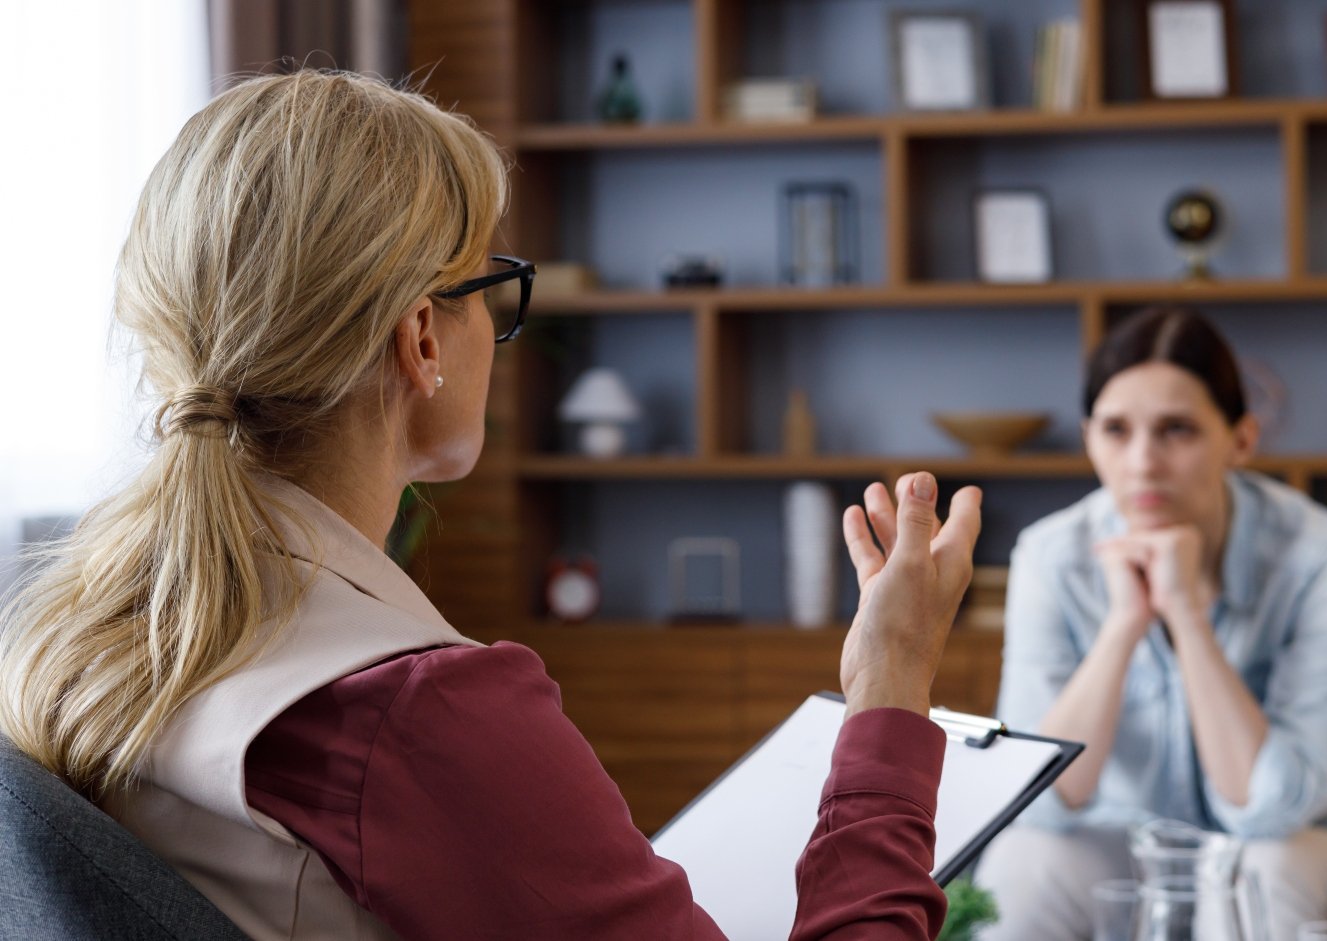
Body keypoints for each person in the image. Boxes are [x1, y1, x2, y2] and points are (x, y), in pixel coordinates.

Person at [0, 70, 983, 940]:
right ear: (422, 337)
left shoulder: (76, 636)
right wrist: (890, 684)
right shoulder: (411, 715)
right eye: (493, 286)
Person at [973, 307, 1327, 941]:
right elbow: (1039, 805)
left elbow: (1268, 810)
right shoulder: (1052, 555)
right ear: (1088, 438)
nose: (1142, 463)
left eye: (1176, 430)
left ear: (1241, 439)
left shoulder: (1323, 553)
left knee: (1262, 873)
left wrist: (1186, 615)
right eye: (1116, 430)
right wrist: (1124, 624)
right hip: (1133, 844)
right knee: (1020, 865)